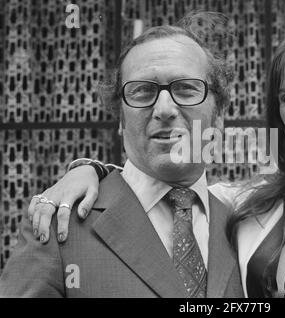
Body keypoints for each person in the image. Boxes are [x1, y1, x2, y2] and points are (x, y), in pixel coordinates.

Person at [23, 15, 285, 298]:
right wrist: (90, 171)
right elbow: (161, 176)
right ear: (119, 118)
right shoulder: (256, 210)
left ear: (221, 116)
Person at [0, 12, 243, 298]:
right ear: (120, 119)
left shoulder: (249, 223)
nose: (164, 109)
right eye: (142, 92)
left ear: (219, 116)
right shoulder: (55, 222)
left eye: (186, 89)